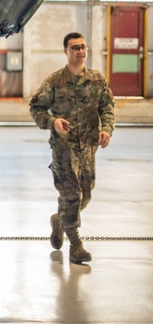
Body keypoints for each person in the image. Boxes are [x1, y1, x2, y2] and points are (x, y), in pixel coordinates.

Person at [29, 32, 115, 265]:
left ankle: (59, 220)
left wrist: (106, 129)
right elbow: (36, 109)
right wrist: (52, 122)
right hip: (63, 148)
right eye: (75, 47)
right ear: (66, 51)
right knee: (72, 195)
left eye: (83, 47)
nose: (80, 51)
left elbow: (107, 107)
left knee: (85, 194)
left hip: (88, 148)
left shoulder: (97, 80)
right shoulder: (54, 82)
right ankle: (76, 245)